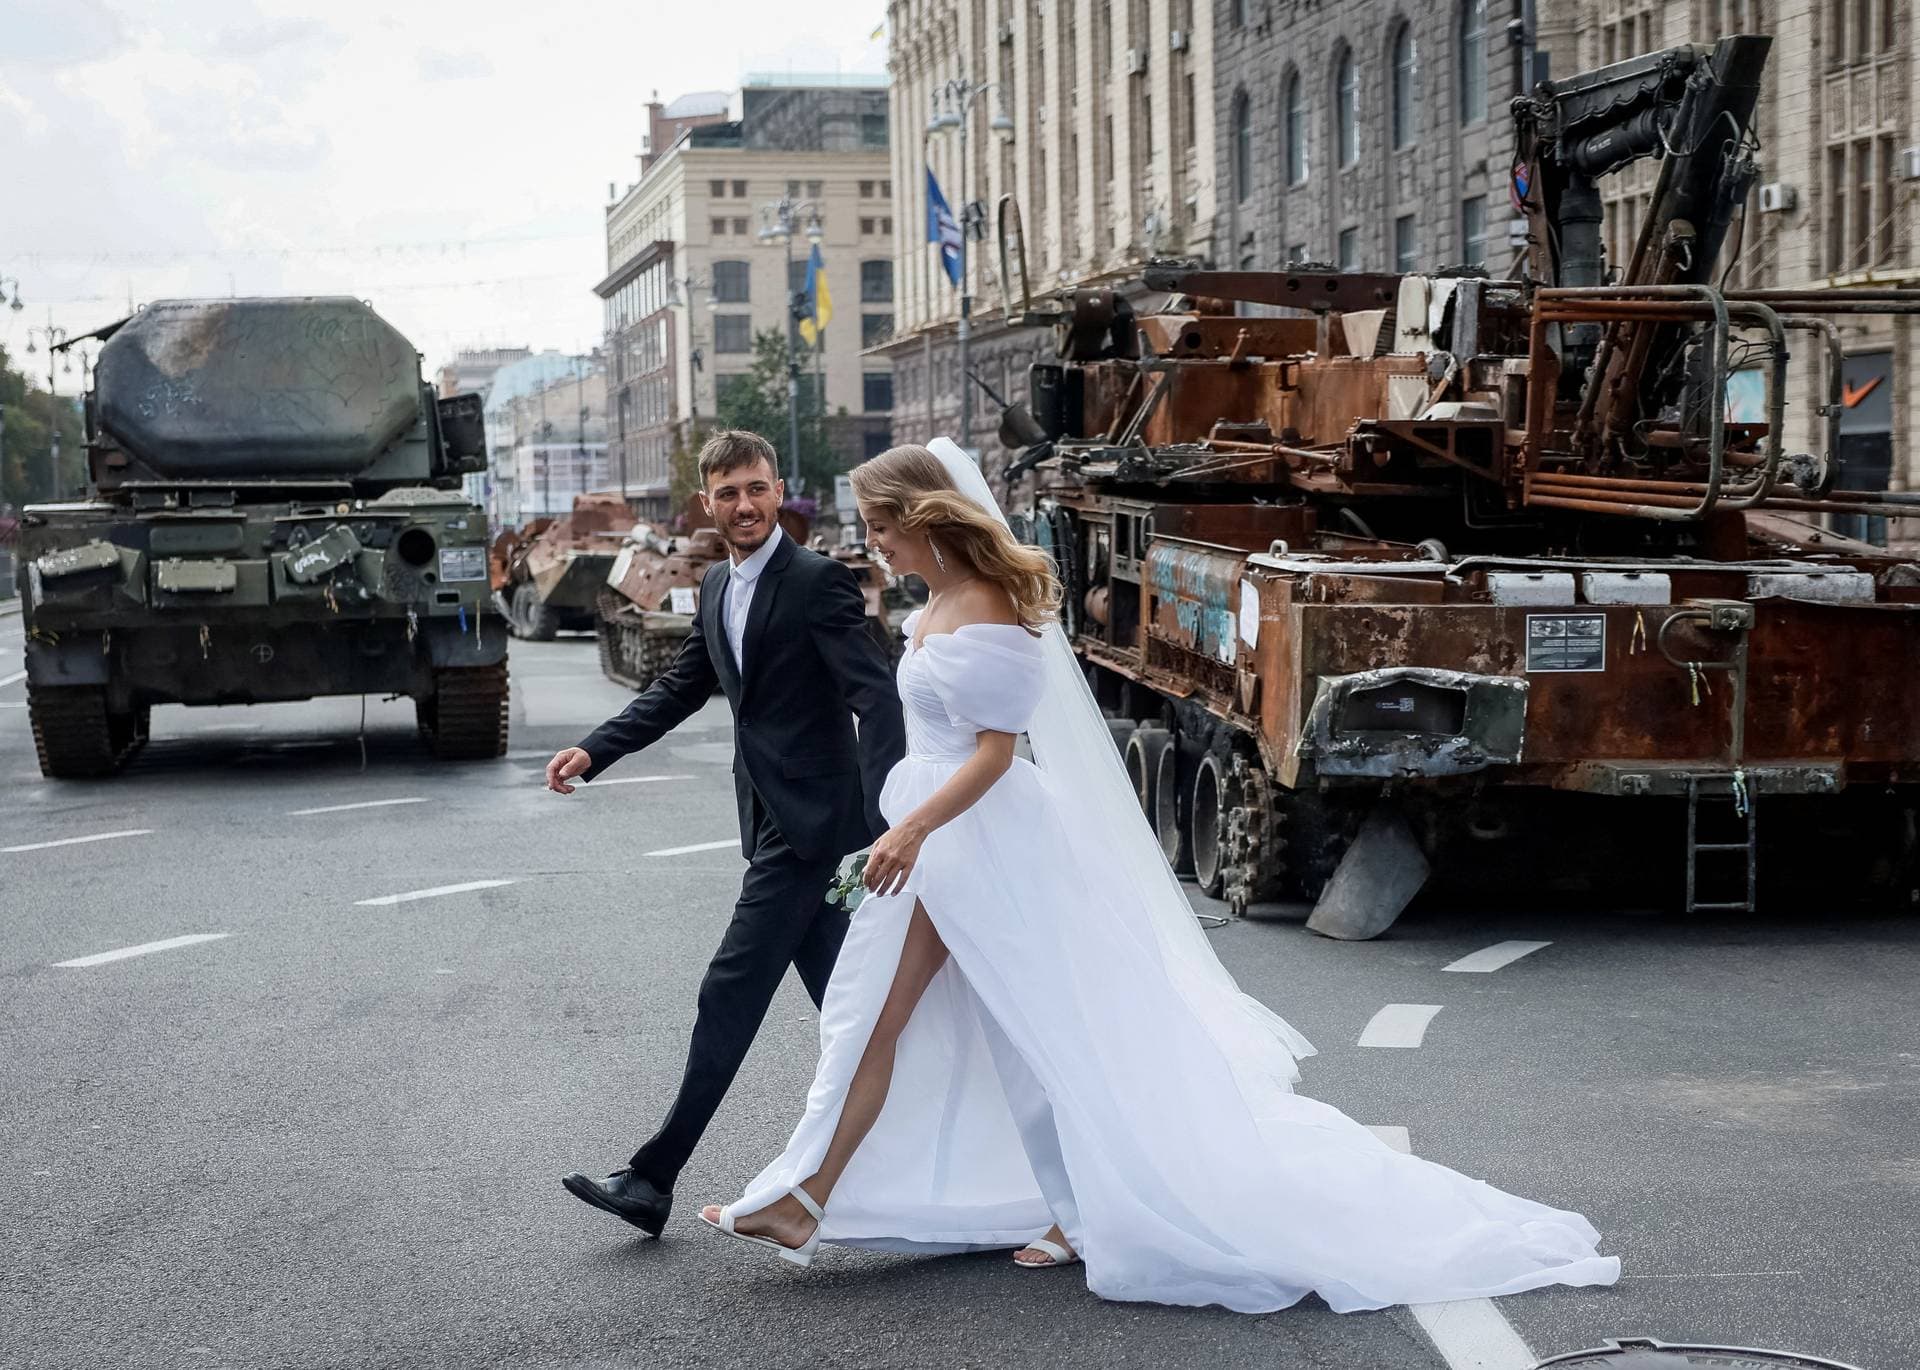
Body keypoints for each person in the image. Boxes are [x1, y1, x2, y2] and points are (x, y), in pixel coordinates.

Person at [696, 439, 1621, 1312]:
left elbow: (994, 753)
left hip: (979, 842)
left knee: (1010, 1026)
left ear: (924, 517)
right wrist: (904, 828)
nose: (874, 541)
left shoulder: (983, 606)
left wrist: (912, 833)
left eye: (881, 524)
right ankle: (821, 1196)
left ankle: (846, 1198)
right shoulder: (932, 604)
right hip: (943, 843)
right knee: (911, 1020)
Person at [547, 430, 905, 1237]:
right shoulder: (714, 587)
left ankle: (652, 1177)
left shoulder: (817, 582)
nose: (744, 505)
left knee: (729, 994)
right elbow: (680, 687)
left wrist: (891, 821)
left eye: (756, 488)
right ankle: (943, 1159)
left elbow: (876, 700)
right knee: (854, 1013)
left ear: (779, 492)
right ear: (706, 504)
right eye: (727, 493)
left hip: (817, 834)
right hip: (778, 822)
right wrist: (597, 748)